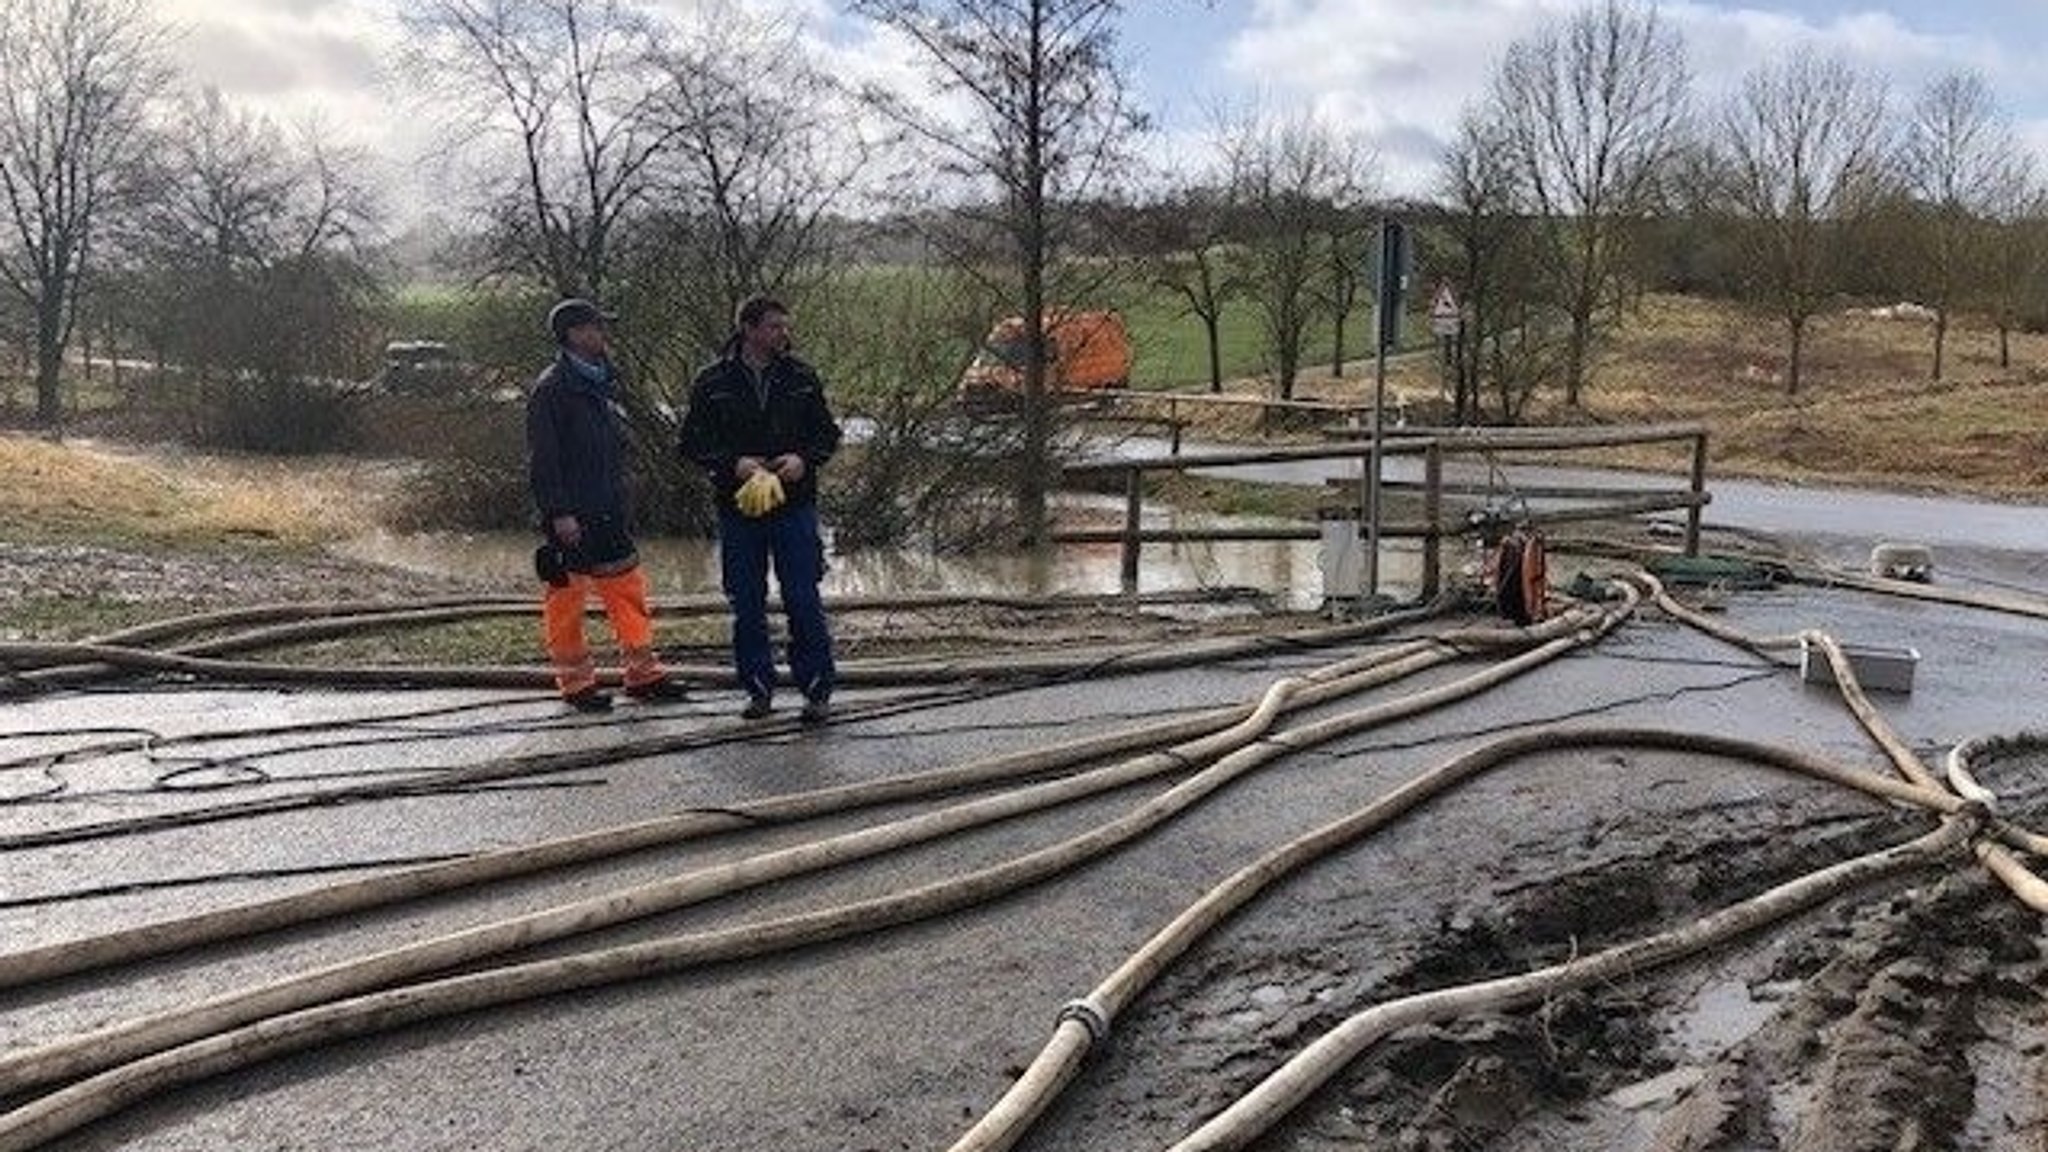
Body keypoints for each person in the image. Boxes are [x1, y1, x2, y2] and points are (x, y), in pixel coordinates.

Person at [679, 295, 842, 723]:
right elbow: (692, 443)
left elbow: (827, 433)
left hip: (795, 504)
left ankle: (816, 691)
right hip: (739, 509)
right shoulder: (712, 381)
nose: (782, 334)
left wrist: (804, 459)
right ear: (748, 330)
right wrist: (733, 463)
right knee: (746, 602)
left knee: (803, 597)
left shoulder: (802, 377)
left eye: (784, 327)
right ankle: (757, 689)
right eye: (774, 327)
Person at [526, 297, 688, 712]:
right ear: (575, 335)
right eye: (597, 328)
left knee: (628, 593)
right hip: (572, 515)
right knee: (567, 603)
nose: (605, 335)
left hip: (609, 508)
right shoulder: (552, 389)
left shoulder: (604, 381)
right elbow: (544, 459)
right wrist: (559, 512)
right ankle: (576, 684)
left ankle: (643, 674)